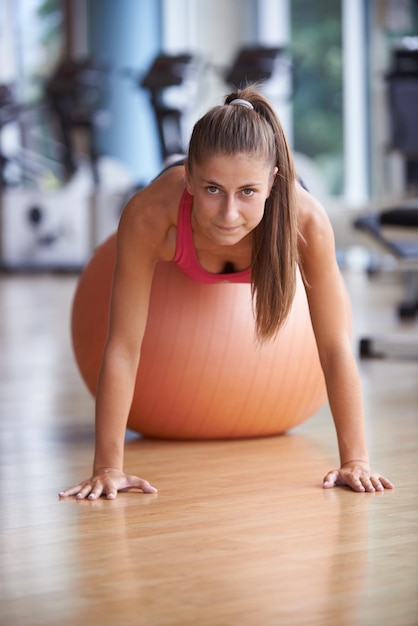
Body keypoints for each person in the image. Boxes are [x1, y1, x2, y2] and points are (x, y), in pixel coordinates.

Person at [59, 85, 394, 500]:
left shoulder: (306, 222)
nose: (229, 215)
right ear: (191, 180)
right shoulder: (150, 216)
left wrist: (355, 460)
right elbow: (124, 347)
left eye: (247, 192)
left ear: (272, 183)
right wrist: (108, 468)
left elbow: (334, 347)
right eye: (212, 189)